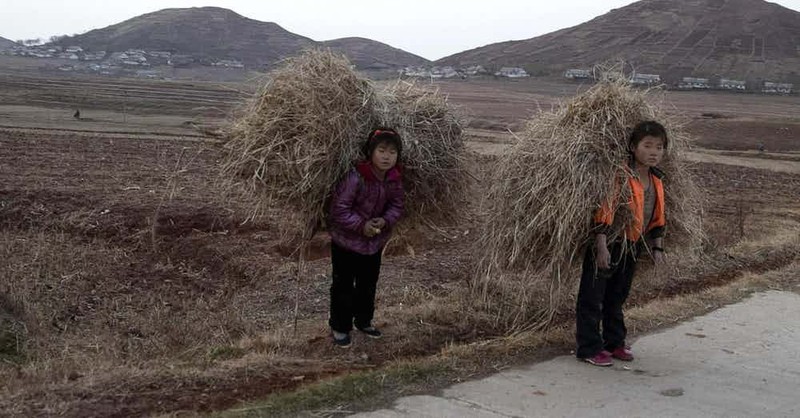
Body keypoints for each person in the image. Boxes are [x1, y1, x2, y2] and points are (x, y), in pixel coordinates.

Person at [576, 120, 668, 366]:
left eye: (659, 147)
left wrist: (658, 247)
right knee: (592, 297)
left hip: (632, 246)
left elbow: (658, 217)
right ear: (633, 147)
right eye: (647, 146)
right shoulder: (621, 176)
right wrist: (601, 245)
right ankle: (588, 348)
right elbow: (605, 210)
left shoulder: (657, 181)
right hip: (609, 243)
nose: (653, 152)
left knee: (617, 297)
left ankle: (614, 343)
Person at [327, 128, 405, 348]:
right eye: (381, 150)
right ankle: (340, 327)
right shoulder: (356, 177)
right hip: (346, 242)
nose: (386, 156)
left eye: (392, 152)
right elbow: (339, 210)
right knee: (343, 285)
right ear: (370, 152)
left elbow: (397, 205)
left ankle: (363, 321)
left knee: (368, 284)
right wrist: (362, 226)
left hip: (373, 243)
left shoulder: (394, 180)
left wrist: (385, 220)